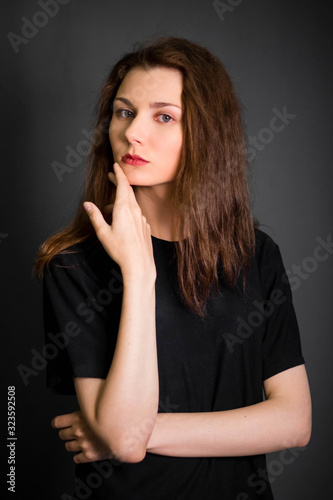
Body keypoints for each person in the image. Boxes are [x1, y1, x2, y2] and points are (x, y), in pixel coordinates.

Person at [34, 36, 312, 499]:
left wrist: (141, 429)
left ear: (207, 134)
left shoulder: (256, 255)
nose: (132, 132)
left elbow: (294, 423)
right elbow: (123, 441)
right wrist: (139, 275)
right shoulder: (73, 265)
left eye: (163, 116)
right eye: (124, 112)